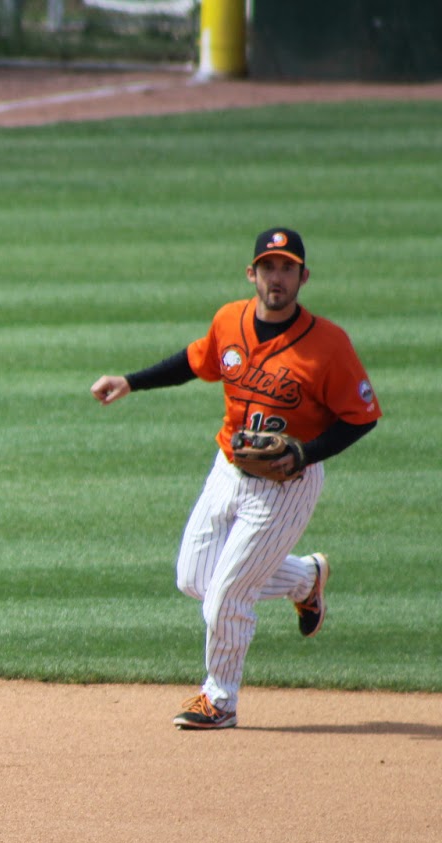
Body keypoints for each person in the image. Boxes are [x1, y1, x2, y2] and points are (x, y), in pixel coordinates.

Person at [89, 228, 381, 730]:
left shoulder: (329, 345)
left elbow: (361, 416)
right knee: (194, 578)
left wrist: (304, 455)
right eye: (268, 267)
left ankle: (219, 700)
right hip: (228, 469)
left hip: (286, 486)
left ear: (303, 277)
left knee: (227, 595)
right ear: (252, 273)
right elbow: (195, 361)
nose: (277, 277)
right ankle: (305, 578)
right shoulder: (230, 320)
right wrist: (131, 381)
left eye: (287, 268)